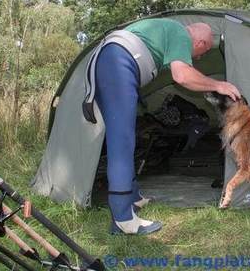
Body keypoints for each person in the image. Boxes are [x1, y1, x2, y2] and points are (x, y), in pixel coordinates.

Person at [90, 18, 240, 235]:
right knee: (121, 143)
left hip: (110, 63)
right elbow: (182, 75)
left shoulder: (165, 30)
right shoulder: (181, 34)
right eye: (201, 53)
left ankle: (133, 198)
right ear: (200, 42)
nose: (197, 58)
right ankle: (123, 220)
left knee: (124, 137)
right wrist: (219, 84)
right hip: (117, 65)